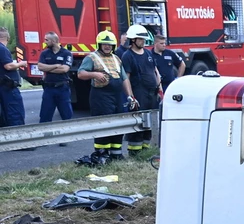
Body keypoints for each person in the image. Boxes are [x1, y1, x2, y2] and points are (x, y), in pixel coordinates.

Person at [77, 30, 134, 161]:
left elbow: (124, 78)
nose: (107, 46)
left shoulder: (116, 58)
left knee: (119, 124)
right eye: (104, 44)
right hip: (100, 97)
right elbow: (81, 74)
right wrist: (95, 74)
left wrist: (130, 96)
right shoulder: (91, 57)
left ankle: (116, 153)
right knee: (103, 124)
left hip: (117, 96)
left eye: (110, 44)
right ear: (99, 44)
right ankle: (102, 153)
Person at [120, 24, 161, 154]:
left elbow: (155, 71)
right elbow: (126, 78)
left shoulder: (148, 53)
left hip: (151, 93)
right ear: (133, 39)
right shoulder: (128, 56)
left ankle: (146, 152)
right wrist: (131, 97)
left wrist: (159, 89)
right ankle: (135, 153)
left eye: (144, 39)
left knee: (149, 124)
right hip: (139, 93)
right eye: (140, 39)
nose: (143, 41)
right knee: (138, 123)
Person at [36, 32, 74, 125]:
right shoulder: (44, 53)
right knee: (44, 117)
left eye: (47, 40)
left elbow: (64, 69)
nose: (45, 42)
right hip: (49, 89)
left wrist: (48, 68)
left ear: (54, 41)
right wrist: (56, 66)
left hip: (62, 88)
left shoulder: (67, 53)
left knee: (67, 117)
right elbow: (40, 67)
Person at [0, 27, 27, 128]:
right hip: (7, 88)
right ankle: (18, 139)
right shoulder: (2, 49)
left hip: (2, 87)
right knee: (15, 114)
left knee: (4, 116)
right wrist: (21, 64)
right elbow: (8, 66)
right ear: (8, 37)